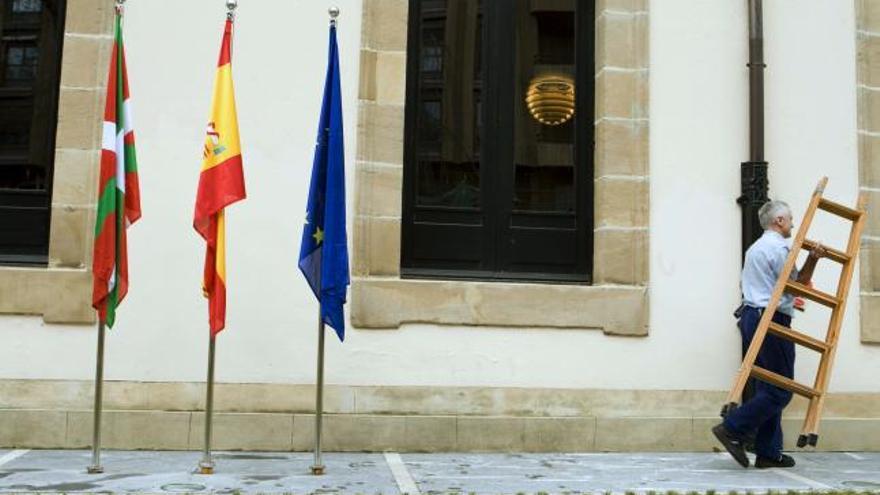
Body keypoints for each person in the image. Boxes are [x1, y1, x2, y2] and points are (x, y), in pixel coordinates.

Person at [713, 200, 826, 469]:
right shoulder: (780, 248)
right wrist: (813, 258)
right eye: (790, 219)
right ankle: (732, 428)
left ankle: (768, 451)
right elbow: (797, 288)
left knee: (768, 385)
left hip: (752, 316)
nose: (793, 224)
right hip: (771, 318)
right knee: (780, 389)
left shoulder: (756, 248)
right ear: (779, 221)